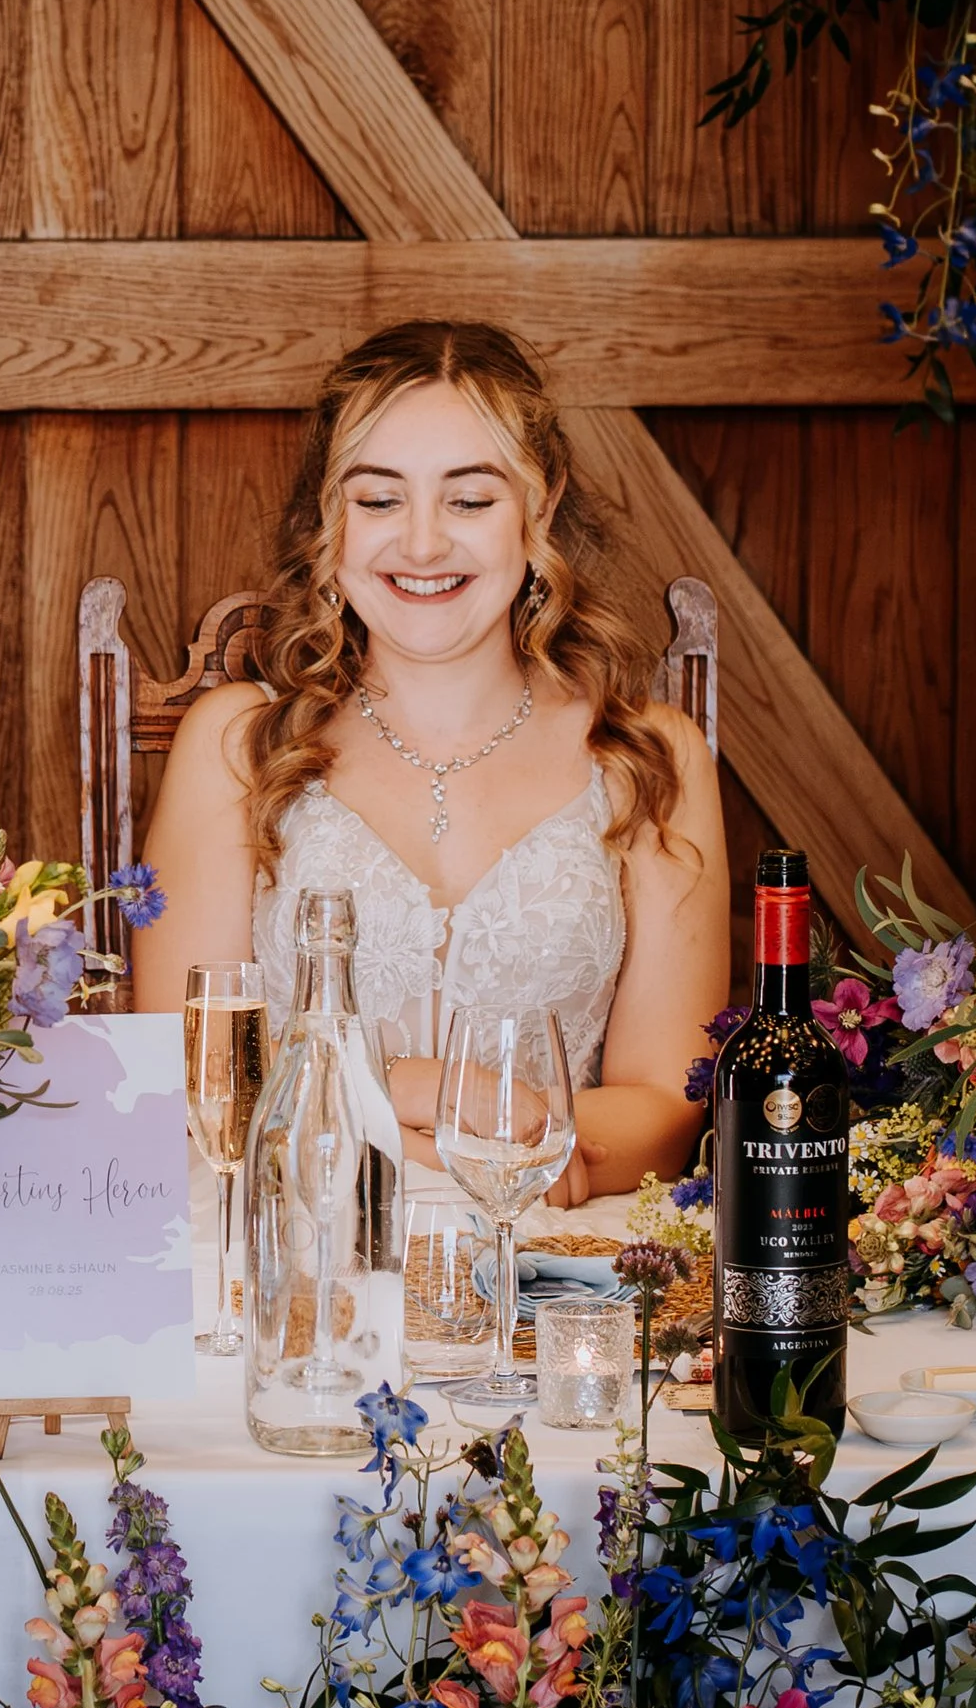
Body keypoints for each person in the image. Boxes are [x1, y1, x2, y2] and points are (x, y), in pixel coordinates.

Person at [133, 319, 727, 1197]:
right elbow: (188, 1089)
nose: (419, 544)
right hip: (296, 1261)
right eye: (379, 500)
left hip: (550, 1277)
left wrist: (479, 1151)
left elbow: (668, 1108)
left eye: (470, 499)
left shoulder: (649, 759)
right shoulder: (235, 749)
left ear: (541, 507)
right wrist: (407, 1089)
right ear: (330, 519)